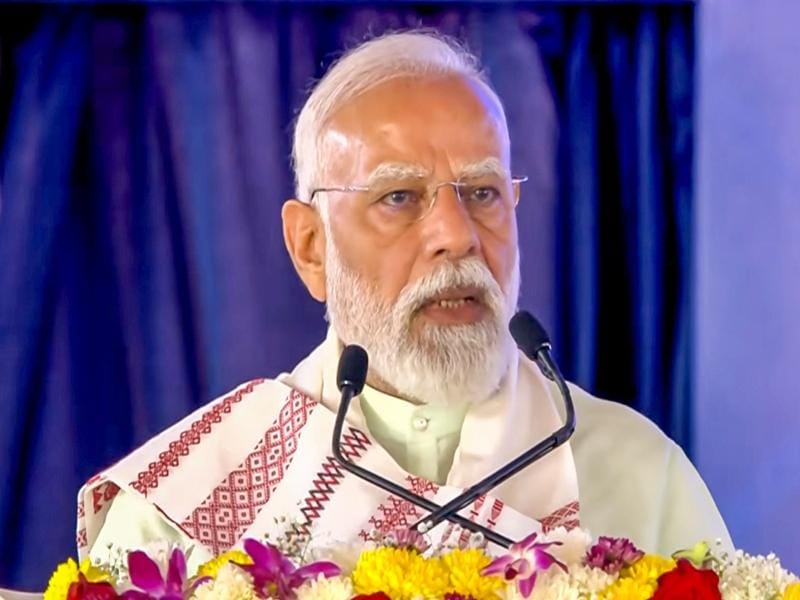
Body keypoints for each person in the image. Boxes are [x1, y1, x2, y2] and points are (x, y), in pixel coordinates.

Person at [77, 31, 731, 569]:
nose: (456, 235)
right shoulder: (184, 506)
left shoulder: (643, 477)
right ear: (311, 248)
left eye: (482, 192)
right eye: (399, 197)